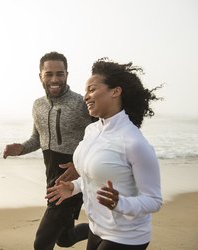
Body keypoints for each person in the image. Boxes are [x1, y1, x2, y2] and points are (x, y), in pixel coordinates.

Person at [46, 58, 163, 250]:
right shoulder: (92, 130)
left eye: (92, 90)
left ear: (115, 92)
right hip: (97, 228)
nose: (85, 97)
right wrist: (74, 187)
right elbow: (98, 176)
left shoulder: (134, 143)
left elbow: (154, 200)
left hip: (127, 236)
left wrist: (120, 203)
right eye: (86, 91)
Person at [3, 51, 93, 249]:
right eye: (49, 74)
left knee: (42, 243)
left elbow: (102, 137)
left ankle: (100, 231)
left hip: (72, 181)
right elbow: (37, 139)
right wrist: (20, 148)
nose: (55, 79)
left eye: (60, 74)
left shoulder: (81, 104)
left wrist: (81, 165)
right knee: (65, 238)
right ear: (40, 76)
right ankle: (98, 231)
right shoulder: (38, 105)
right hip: (51, 178)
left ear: (67, 75)